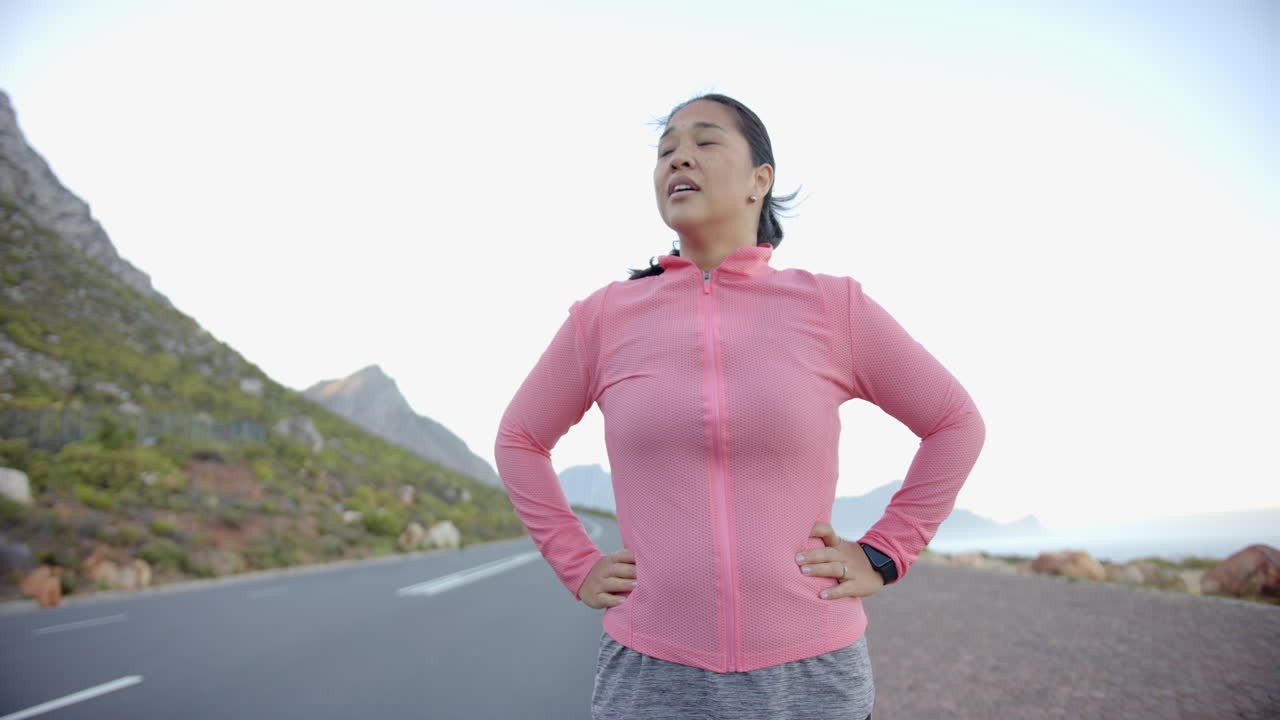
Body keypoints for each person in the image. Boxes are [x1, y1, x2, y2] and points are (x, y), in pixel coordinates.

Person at [494, 93, 986, 719]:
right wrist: (576, 560)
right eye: (666, 150)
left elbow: (955, 423)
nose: (680, 159)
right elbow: (519, 439)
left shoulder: (833, 308)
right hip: (652, 671)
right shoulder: (602, 319)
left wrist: (886, 552)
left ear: (760, 180)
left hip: (810, 671)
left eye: (704, 142)